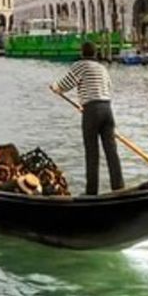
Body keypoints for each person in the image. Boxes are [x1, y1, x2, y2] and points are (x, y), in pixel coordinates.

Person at [51, 41, 124, 196]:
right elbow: (108, 88)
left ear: (82, 53)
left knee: (92, 153)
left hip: (92, 112)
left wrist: (55, 87)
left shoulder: (80, 65)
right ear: (95, 53)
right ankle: (119, 187)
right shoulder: (102, 68)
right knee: (111, 152)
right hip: (107, 109)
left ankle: (91, 192)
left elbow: (64, 85)